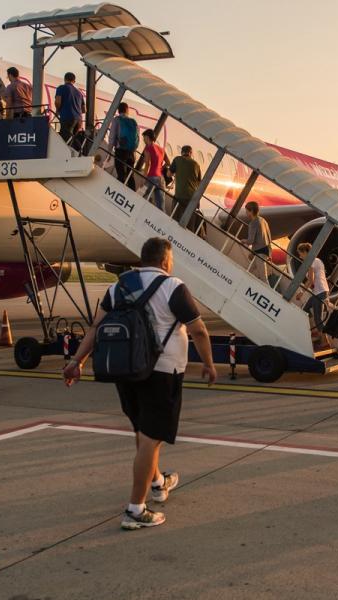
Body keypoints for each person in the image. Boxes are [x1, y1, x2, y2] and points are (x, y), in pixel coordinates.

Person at [63, 238, 217, 529]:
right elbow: (199, 330)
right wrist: (208, 364)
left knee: (143, 430)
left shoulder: (118, 286)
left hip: (126, 370)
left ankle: (158, 482)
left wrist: (77, 361)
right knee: (150, 438)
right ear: (165, 261)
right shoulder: (173, 287)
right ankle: (135, 509)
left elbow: (96, 327)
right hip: (163, 371)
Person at [297, 242, 331, 347]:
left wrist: (302, 292)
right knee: (305, 310)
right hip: (320, 291)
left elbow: (311, 280)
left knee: (318, 318)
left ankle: (325, 341)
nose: (299, 256)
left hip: (320, 292)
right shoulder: (318, 261)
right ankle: (315, 331)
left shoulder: (311, 261)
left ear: (306, 252)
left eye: (300, 253)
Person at [169, 145, 203, 228]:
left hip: (179, 195)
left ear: (182, 152)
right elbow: (199, 183)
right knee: (189, 224)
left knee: (174, 219)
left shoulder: (177, 159)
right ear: (190, 153)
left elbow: (169, 174)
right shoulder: (196, 165)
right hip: (192, 198)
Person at [108, 102, 140, 190]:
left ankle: (118, 192)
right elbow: (137, 138)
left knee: (121, 174)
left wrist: (109, 152)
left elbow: (112, 137)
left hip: (121, 151)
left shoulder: (117, 120)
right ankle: (132, 194)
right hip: (131, 152)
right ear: (127, 110)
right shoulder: (134, 122)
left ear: (118, 110)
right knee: (130, 176)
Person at [242, 201, 274, 285]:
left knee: (264, 278)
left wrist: (243, 240)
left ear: (251, 211)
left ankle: (269, 293)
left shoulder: (253, 223)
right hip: (266, 250)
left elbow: (250, 241)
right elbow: (269, 237)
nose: (246, 213)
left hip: (260, 252)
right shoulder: (263, 220)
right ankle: (242, 283)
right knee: (248, 270)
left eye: (246, 211)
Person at [135, 129, 167, 209]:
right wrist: (160, 168)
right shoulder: (161, 149)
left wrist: (143, 179)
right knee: (160, 205)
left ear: (147, 137)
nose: (143, 140)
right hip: (161, 179)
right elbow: (168, 162)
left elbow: (147, 164)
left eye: (144, 137)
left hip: (152, 177)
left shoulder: (148, 148)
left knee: (138, 196)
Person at [53, 72, 85, 144]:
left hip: (67, 117)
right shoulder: (79, 93)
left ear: (64, 79)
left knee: (65, 140)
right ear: (74, 81)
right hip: (79, 120)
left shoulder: (61, 88)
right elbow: (84, 110)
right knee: (73, 140)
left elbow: (58, 102)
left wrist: (57, 111)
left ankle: (66, 154)